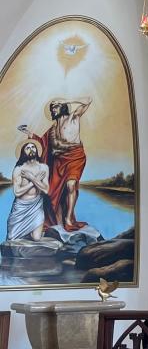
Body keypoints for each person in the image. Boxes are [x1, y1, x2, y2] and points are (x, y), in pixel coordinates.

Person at [35, 97, 91, 231]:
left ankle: (68, 220)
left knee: (71, 185)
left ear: (63, 106)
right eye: (51, 108)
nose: (53, 109)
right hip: (59, 161)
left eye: (55, 106)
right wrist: (29, 133)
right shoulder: (52, 129)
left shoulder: (73, 117)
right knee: (54, 193)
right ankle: (61, 218)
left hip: (74, 157)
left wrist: (69, 100)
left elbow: (88, 100)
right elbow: (43, 143)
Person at [6, 140, 49, 241]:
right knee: (12, 237)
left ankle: (30, 231)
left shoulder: (44, 168)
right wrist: (33, 182)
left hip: (36, 206)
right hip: (21, 207)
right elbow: (17, 192)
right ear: (23, 152)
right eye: (28, 148)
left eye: (33, 147)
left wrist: (32, 178)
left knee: (37, 238)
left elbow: (46, 190)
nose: (31, 150)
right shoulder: (19, 169)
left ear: (37, 150)